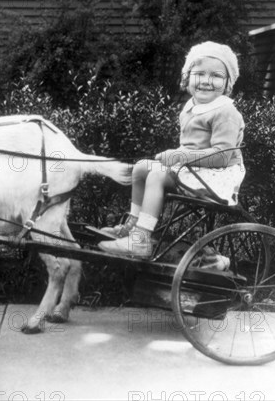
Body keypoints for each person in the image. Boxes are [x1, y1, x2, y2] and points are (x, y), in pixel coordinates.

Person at [98, 41, 246, 257]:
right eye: (200, 74)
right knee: (141, 168)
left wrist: (179, 156)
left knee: (157, 175)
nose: (206, 81)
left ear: (227, 83)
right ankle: (132, 226)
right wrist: (177, 156)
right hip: (194, 168)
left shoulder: (225, 111)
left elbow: (221, 156)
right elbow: (190, 145)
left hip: (216, 176)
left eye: (216, 76)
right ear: (187, 78)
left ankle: (140, 241)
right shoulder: (191, 108)